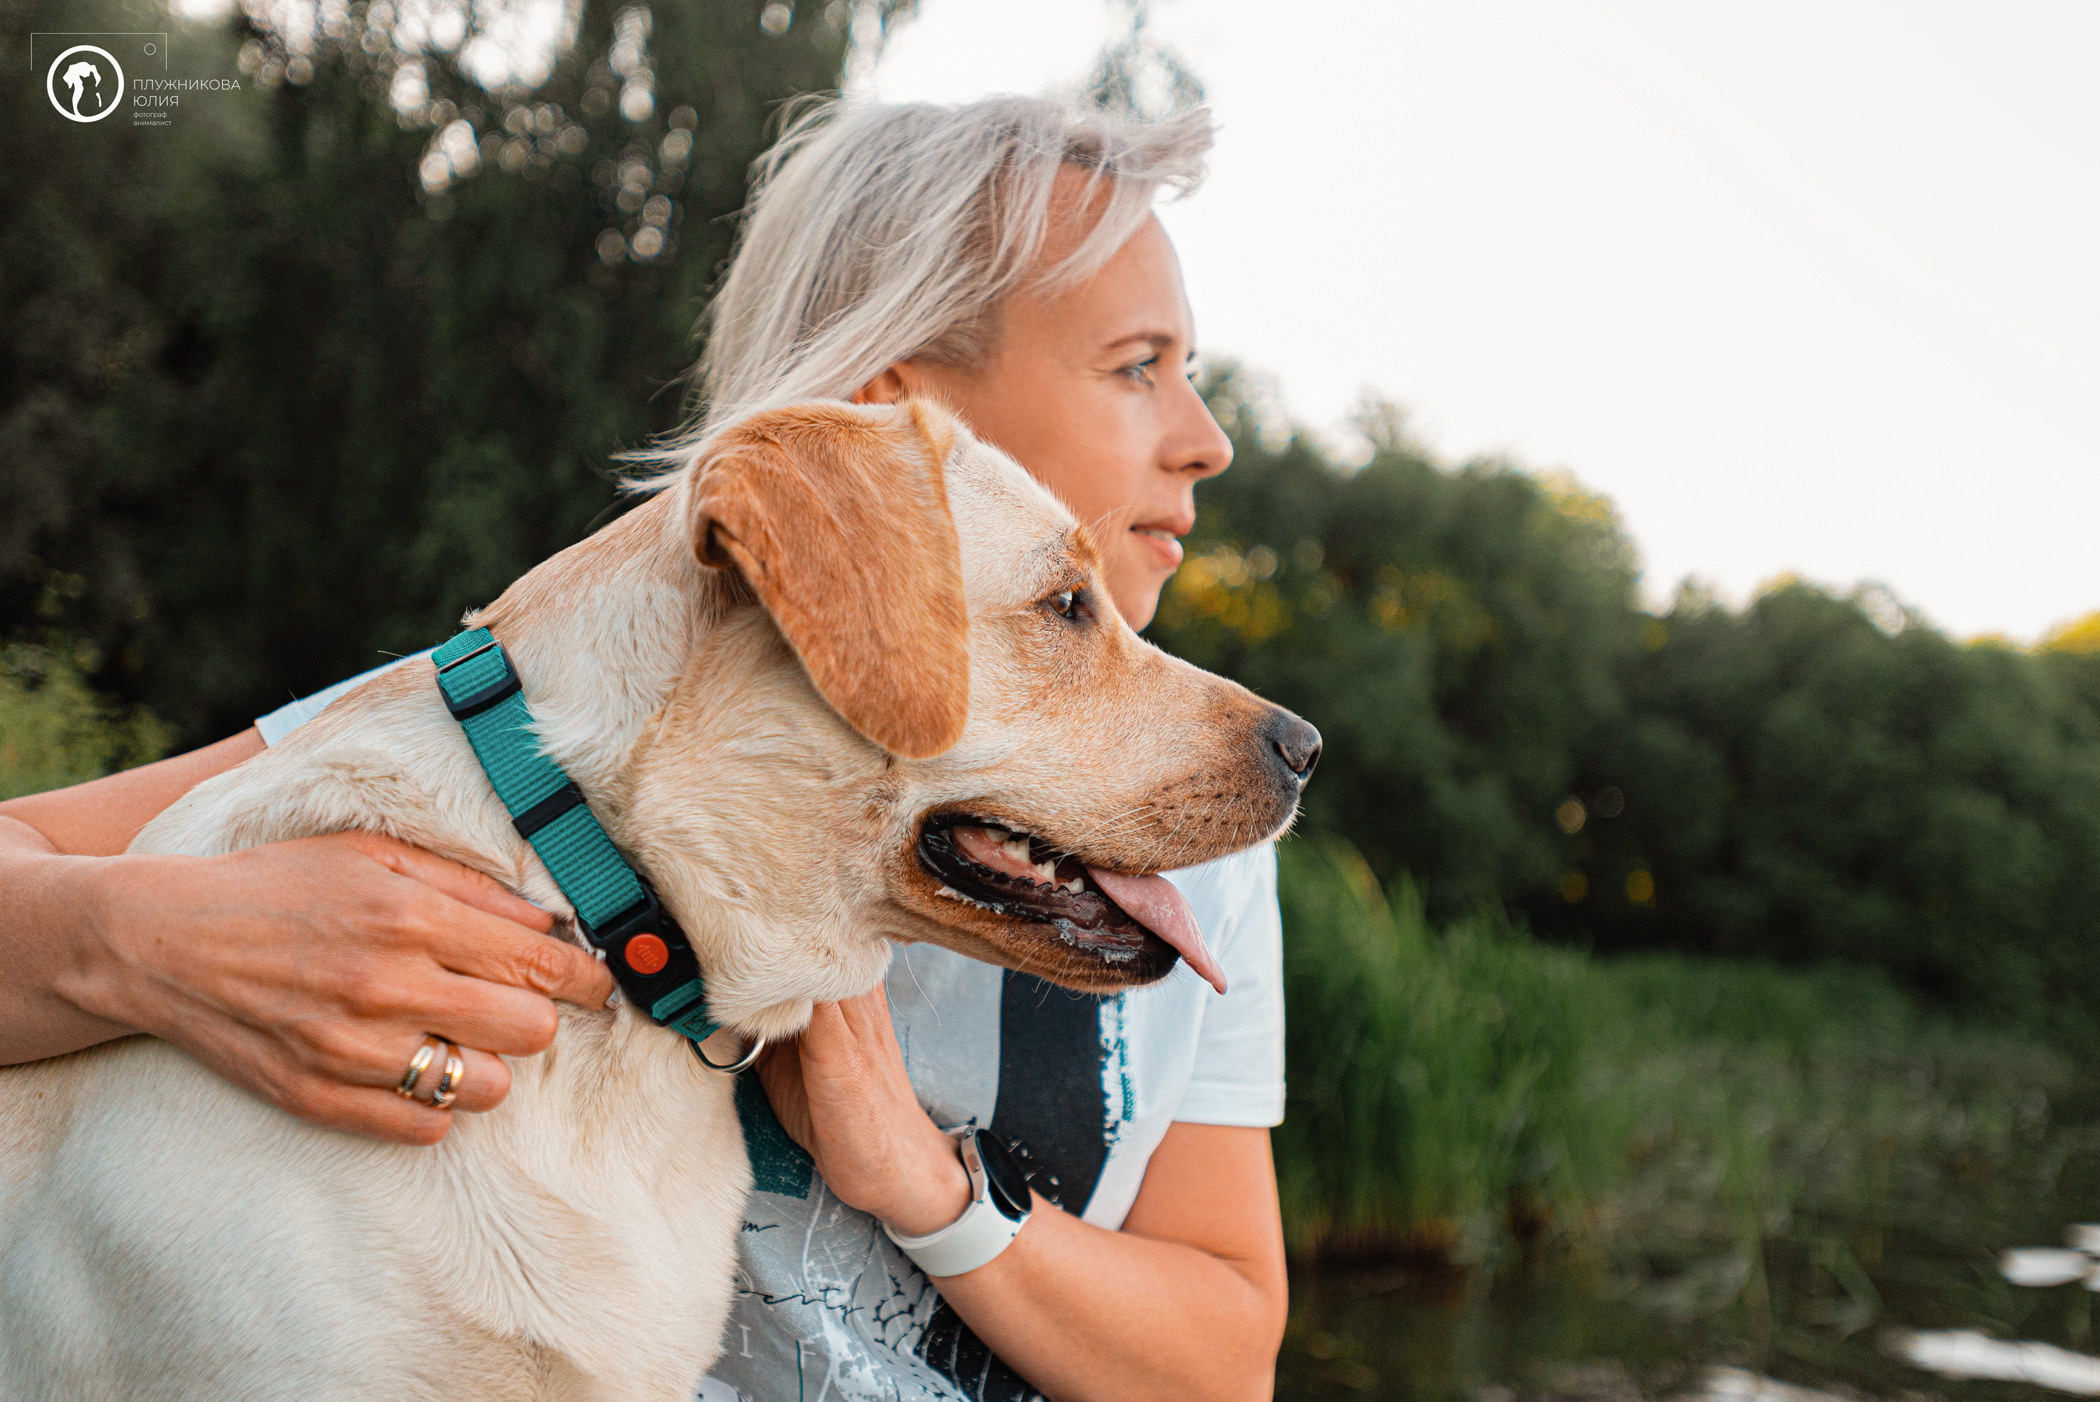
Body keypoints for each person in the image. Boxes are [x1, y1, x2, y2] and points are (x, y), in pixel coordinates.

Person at [0, 96, 1287, 1401]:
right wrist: (155, 937)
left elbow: (1227, 1356)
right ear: (881, 412)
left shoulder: (1168, 868)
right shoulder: (493, 721)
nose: (1209, 435)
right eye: (1139, 365)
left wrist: (916, 1172)